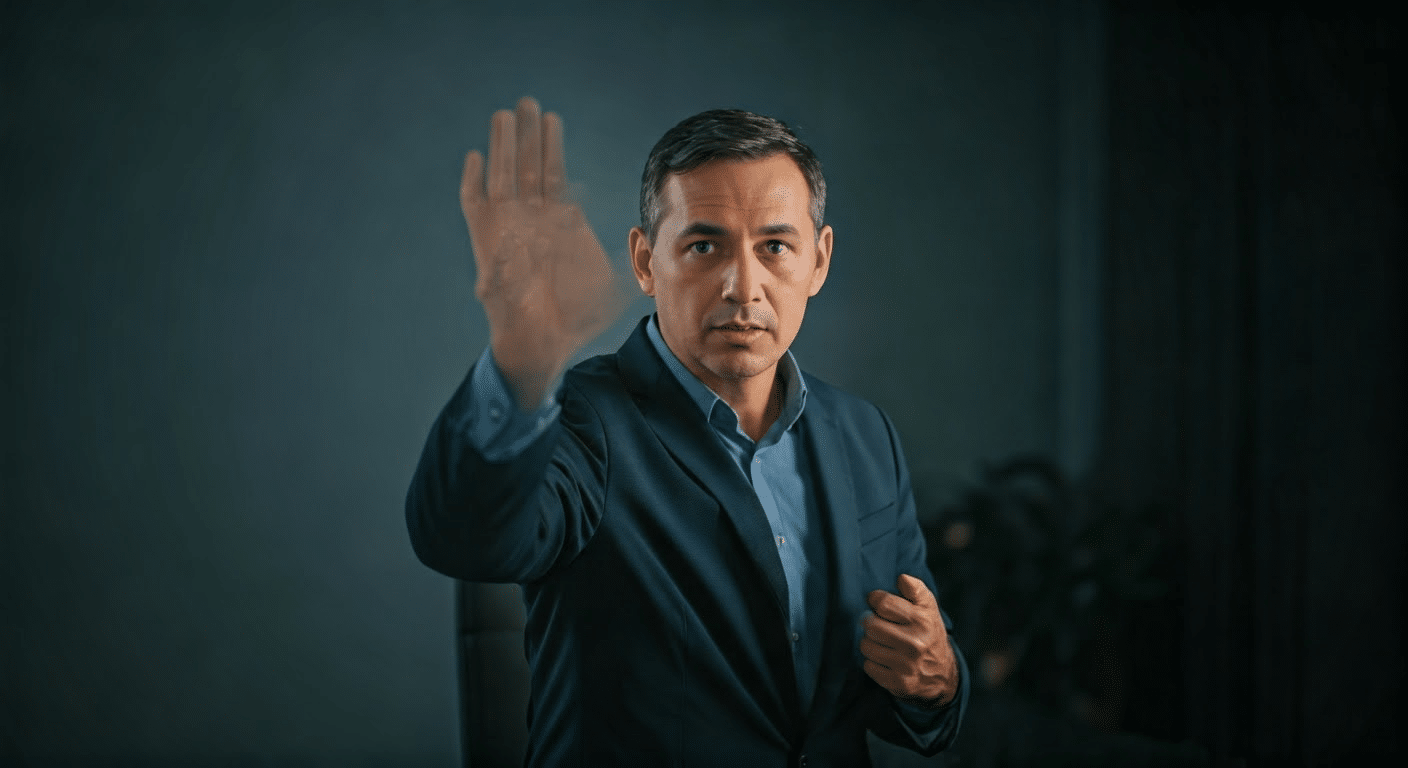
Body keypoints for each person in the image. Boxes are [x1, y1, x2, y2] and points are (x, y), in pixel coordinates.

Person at [407, 97, 969, 766]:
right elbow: (464, 538)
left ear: (818, 262)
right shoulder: (583, 418)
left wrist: (938, 682)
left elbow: (898, 684)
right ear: (646, 262)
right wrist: (524, 359)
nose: (743, 286)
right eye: (704, 246)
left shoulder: (863, 434)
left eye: (775, 247)